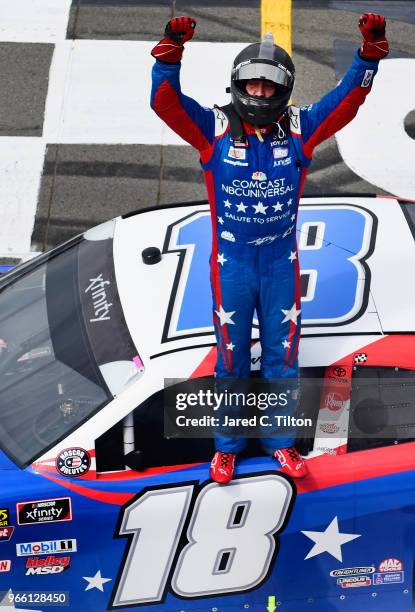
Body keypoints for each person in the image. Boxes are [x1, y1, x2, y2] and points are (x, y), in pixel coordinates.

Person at [150, 14, 389, 484]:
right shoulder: (213, 130)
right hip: (232, 266)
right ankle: (227, 449)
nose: (259, 94)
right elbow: (166, 104)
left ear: (284, 90)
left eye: (269, 87)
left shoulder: (300, 128)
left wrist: (368, 56)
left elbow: (346, 102)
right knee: (231, 358)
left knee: (283, 356)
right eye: (252, 86)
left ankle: (281, 444)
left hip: (281, 264)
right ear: (238, 86)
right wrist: (170, 54)